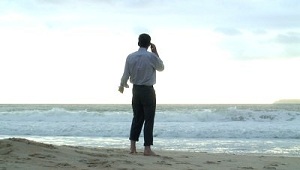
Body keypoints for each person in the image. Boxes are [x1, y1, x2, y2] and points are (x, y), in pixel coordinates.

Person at [118, 33, 164, 156]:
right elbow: (161, 67)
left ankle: (132, 147)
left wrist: (122, 85)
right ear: (149, 44)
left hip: (136, 90)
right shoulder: (151, 57)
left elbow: (125, 75)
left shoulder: (130, 57)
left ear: (138, 43)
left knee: (137, 117)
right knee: (149, 119)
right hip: (148, 90)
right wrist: (155, 52)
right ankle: (147, 148)